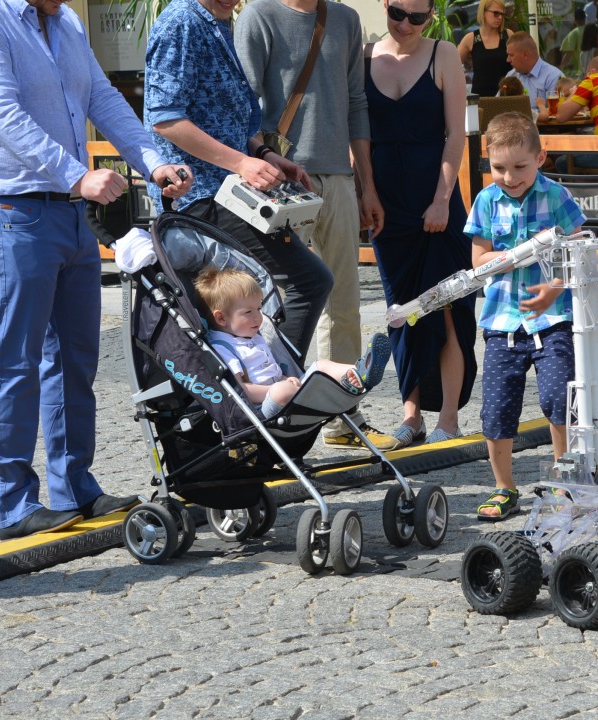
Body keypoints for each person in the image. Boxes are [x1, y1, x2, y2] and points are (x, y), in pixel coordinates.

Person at [0, 0, 193, 539]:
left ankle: (73, 485)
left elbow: (102, 98)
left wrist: (151, 161)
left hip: (71, 215)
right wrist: (77, 174)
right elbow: (1, 113)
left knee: (75, 358)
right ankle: (14, 505)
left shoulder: (65, 21)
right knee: (15, 361)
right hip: (14, 211)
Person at [146, 0, 334, 363]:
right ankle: (280, 388)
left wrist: (263, 155)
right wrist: (241, 163)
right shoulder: (181, 22)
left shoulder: (218, 21)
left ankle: (261, 388)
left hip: (229, 191)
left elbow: (232, 121)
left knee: (240, 303)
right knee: (308, 281)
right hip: (199, 197)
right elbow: (166, 119)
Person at [235, 0, 385, 447]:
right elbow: (241, 101)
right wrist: (255, 162)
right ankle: (281, 417)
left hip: (338, 174)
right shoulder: (258, 15)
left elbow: (356, 102)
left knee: (344, 302)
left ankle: (343, 417)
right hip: (280, 178)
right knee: (280, 305)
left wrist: (366, 185)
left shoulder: (345, 19)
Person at [367, 0, 478, 448]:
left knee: (448, 307)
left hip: (436, 201)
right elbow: (360, 136)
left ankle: (448, 417)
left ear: (431, 16)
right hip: (387, 206)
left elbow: (456, 135)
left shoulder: (443, 54)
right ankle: (409, 414)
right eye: (397, 13)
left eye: (418, 17)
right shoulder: (363, 57)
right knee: (401, 311)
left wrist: (442, 199)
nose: (405, 24)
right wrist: (365, 192)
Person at [466, 112, 587, 520]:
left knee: (558, 398)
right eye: (499, 168)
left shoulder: (556, 197)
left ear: (541, 158)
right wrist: (510, 257)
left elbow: (577, 254)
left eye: (520, 167)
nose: (510, 176)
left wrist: (553, 288)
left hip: (553, 319)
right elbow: (478, 258)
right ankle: (503, 487)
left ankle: (564, 479)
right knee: (498, 408)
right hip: (502, 322)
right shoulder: (486, 200)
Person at [195, 267, 392, 417]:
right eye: (249, 312)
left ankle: (360, 372)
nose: (259, 317)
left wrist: (284, 380)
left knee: (320, 366)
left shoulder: (253, 337)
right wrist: (277, 387)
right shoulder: (223, 347)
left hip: (286, 391)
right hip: (259, 408)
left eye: (259, 308)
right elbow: (242, 389)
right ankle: (336, 389)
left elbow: (272, 373)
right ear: (221, 318)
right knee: (283, 391)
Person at [458, 0, 513, 97]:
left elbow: (520, 66)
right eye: (495, 13)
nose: (500, 17)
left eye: (502, 14)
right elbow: (453, 66)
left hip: (506, 97)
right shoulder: (471, 38)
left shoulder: (508, 35)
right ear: (483, 13)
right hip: (480, 99)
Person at [505, 31, 564, 112]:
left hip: (542, 124)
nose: (508, 60)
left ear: (525, 55)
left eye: (511, 55)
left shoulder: (553, 77)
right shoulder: (511, 75)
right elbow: (497, 105)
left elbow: (557, 112)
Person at [559, 7, 586, 78]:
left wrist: (561, 67)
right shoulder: (590, 30)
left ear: (574, 19)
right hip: (590, 69)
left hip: (579, 71)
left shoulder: (574, 33)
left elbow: (569, 53)